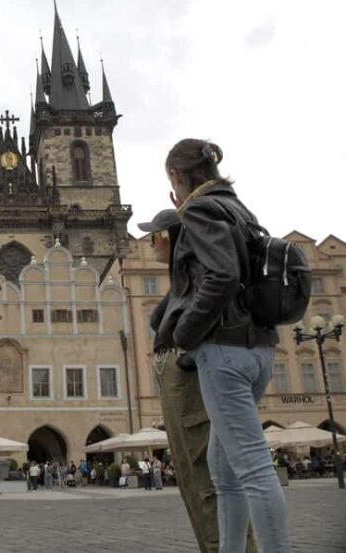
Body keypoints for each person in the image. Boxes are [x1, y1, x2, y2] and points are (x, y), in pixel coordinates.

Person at [157, 138, 288, 552]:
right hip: (259, 346)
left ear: (178, 175)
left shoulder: (197, 208)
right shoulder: (238, 206)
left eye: (171, 181)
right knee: (224, 471)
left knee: (251, 469)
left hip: (224, 349)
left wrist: (183, 336)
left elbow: (223, 276)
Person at [143, 207, 257, 553]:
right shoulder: (183, 273)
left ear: (170, 237)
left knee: (205, 476)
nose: (148, 243)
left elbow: (214, 296)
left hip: (188, 377)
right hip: (180, 376)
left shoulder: (199, 267)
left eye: (153, 236)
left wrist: (184, 345)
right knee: (195, 478)